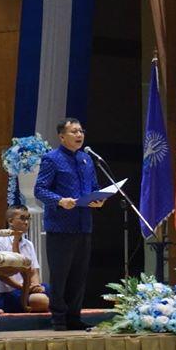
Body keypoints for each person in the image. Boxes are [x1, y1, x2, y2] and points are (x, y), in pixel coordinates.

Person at [34, 118, 104, 330]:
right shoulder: (52, 159)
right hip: (61, 226)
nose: (79, 135)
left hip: (84, 225)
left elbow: (93, 187)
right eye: (74, 131)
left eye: (81, 131)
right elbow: (40, 190)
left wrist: (98, 199)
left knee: (79, 275)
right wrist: (59, 200)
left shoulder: (86, 159)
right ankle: (59, 318)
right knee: (61, 274)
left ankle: (74, 317)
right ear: (62, 136)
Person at [0, 205, 49, 313]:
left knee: (56, 291)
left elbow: (34, 271)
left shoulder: (28, 244)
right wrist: (24, 288)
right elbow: (1, 276)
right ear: (11, 221)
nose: (26, 222)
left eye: (28, 218)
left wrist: (36, 286)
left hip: (26, 289)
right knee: (40, 300)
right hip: (7, 292)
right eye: (22, 218)